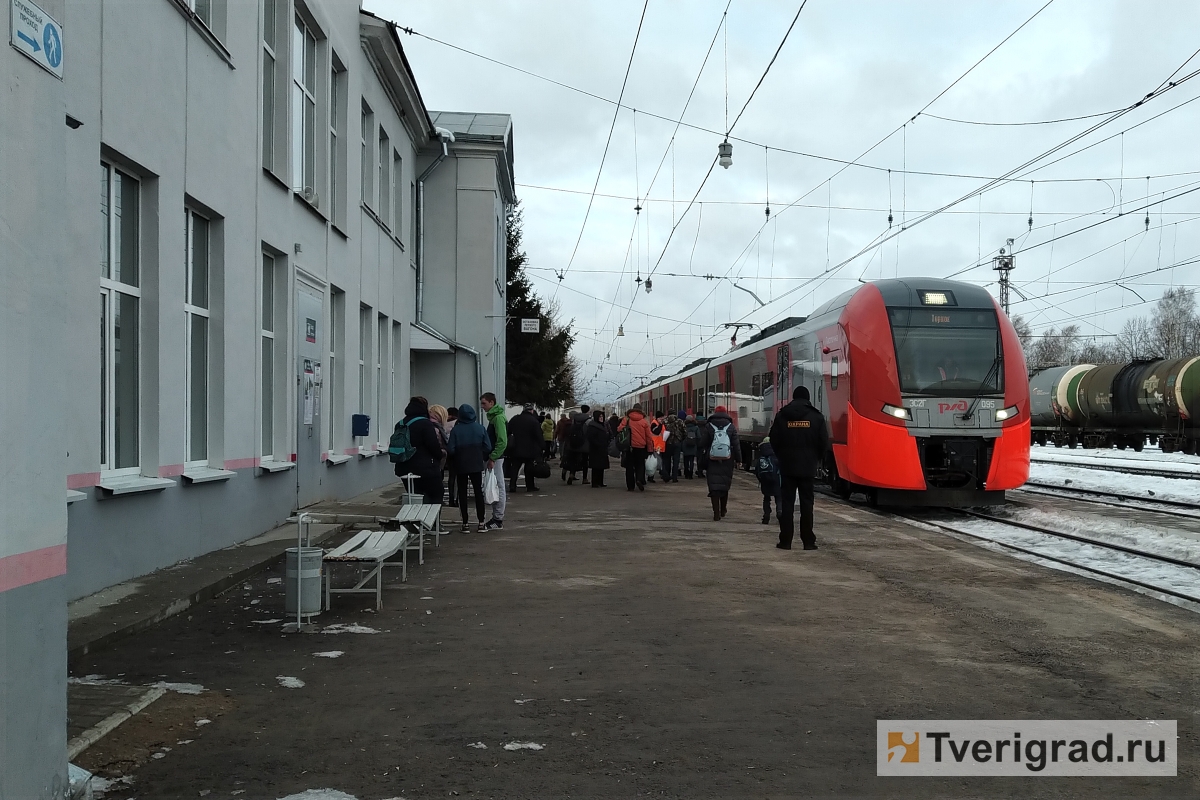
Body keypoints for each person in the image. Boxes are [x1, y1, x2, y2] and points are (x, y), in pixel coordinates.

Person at [768, 386, 829, 550]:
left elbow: (773, 439)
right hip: (808, 468)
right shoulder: (816, 417)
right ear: (808, 398)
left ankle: (785, 541)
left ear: (794, 398)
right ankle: (808, 541)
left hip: (787, 466)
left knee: (787, 503)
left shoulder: (782, 415)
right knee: (807, 504)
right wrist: (815, 458)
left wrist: (781, 456)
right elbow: (823, 442)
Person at [446, 403, 492, 533]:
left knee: (462, 492)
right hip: (476, 464)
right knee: (478, 492)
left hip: (461, 464)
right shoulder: (480, 428)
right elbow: (488, 447)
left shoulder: (456, 430)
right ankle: (481, 522)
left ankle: (465, 523)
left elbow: (450, 449)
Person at [395, 397, 445, 505]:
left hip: (404, 468)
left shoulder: (400, 424)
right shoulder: (425, 424)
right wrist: (441, 455)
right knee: (435, 496)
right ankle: (432, 521)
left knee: (414, 497)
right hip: (426, 470)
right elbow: (433, 447)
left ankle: (414, 519)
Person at [699, 405, 740, 521]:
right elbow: (736, 445)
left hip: (712, 460)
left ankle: (716, 513)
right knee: (724, 486)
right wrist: (739, 459)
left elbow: (703, 443)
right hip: (727, 459)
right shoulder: (731, 427)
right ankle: (723, 509)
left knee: (714, 487)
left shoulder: (709, 426)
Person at [480, 392, 507, 530]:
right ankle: (497, 517)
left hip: (495, 457)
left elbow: (502, 441)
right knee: (496, 485)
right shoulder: (495, 417)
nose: (482, 406)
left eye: (484, 403)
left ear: (492, 402)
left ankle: (498, 518)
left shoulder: (497, 418)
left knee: (498, 486)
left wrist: (493, 457)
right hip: (494, 456)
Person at [506, 403, 544, 493]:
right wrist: (542, 447)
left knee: (515, 468)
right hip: (530, 449)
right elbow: (539, 435)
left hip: (516, 448)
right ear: (532, 410)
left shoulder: (515, 419)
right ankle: (530, 486)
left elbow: (507, 431)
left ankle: (512, 486)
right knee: (529, 468)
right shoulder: (534, 421)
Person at [617, 404, 654, 491]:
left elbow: (619, 430)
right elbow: (648, 437)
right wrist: (650, 449)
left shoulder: (626, 419)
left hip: (629, 447)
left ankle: (630, 486)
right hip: (641, 447)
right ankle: (639, 479)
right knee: (640, 465)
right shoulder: (644, 421)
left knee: (629, 466)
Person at [753, 436, 782, 525]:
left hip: (765, 481)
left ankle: (766, 516)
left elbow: (757, 470)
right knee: (779, 497)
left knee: (766, 498)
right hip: (776, 479)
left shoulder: (762, 456)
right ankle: (779, 511)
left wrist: (761, 480)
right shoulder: (777, 454)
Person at [563, 405, 591, 484]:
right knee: (585, 461)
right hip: (584, 443)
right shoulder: (588, 420)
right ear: (588, 411)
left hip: (574, 442)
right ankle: (585, 478)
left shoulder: (575, 419)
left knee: (574, 460)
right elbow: (588, 432)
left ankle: (572, 474)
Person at [585, 409, 611, 488]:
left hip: (602, 448)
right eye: (599, 416)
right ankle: (595, 482)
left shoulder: (603, 425)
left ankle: (600, 482)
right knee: (596, 466)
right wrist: (598, 444)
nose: (601, 418)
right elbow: (590, 437)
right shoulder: (592, 426)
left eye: (602, 416)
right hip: (595, 449)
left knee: (601, 466)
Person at [664, 411, 686, 482]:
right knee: (676, 461)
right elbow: (685, 432)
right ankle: (674, 477)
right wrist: (681, 439)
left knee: (667, 460)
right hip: (677, 443)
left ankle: (667, 476)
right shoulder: (680, 421)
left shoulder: (665, 421)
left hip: (668, 443)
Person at [444, 406, 459, 507]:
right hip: (458, 452)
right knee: (457, 477)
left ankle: (450, 499)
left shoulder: (444, 424)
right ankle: (455, 499)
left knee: (451, 477)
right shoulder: (457, 423)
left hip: (447, 452)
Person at [647, 411, 666, 482]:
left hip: (661, 445)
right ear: (657, 418)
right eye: (661, 417)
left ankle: (652, 476)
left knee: (658, 462)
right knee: (656, 462)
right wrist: (660, 425)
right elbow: (656, 432)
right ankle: (663, 475)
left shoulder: (661, 424)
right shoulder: (654, 424)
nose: (662, 419)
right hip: (655, 445)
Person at [681, 414, 699, 479]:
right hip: (693, 445)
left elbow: (681, 436)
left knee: (686, 460)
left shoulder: (684, 426)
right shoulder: (696, 427)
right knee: (691, 460)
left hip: (685, 445)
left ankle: (686, 473)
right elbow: (699, 436)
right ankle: (691, 473)